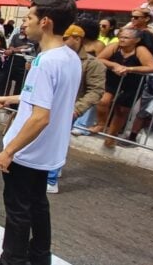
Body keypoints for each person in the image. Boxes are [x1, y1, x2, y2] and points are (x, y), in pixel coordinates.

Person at [0, 0, 82, 265]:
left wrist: (9, 151)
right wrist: (13, 99)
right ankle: (39, 257)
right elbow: (50, 101)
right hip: (47, 152)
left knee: (18, 212)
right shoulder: (70, 56)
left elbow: (40, 118)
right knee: (38, 206)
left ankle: (10, 261)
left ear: (45, 22)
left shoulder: (44, 62)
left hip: (27, 153)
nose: (25, 23)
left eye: (29, 18)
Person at [48, 24, 105, 193]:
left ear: (77, 38)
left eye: (66, 38)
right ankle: (52, 169)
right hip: (49, 105)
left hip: (69, 109)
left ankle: (51, 179)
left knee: (57, 141)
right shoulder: (53, 56)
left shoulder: (92, 63)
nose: (62, 41)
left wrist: (77, 109)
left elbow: (96, 90)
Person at [89, 27, 153, 147]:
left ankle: (111, 136)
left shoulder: (140, 50)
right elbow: (99, 59)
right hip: (111, 80)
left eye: (126, 37)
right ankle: (101, 124)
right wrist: (114, 65)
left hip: (132, 83)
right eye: (121, 37)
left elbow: (152, 67)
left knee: (121, 110)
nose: (122, 39)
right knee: (103, 101)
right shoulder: (114, 46)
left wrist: (130, 69)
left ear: (136, 40)